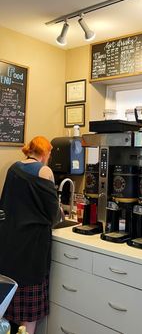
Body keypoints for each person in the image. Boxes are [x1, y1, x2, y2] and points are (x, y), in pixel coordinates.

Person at [0, 136, 61, 334]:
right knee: (29, 311)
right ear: (45, 153)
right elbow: (54, 214)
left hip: (10, 242)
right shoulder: (44, 170)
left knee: (10, 300)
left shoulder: (13, 168)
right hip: (32, 245)